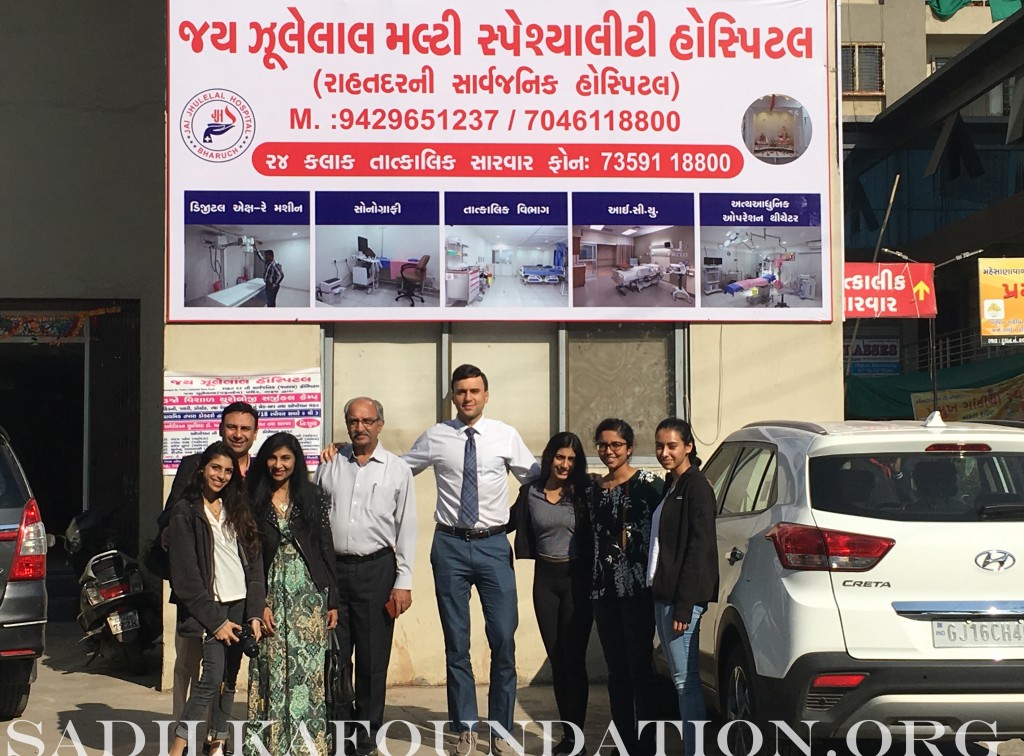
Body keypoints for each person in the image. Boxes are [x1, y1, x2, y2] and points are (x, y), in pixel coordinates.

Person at [404, 364, 539, 756]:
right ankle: (465, 726)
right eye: (461, 391)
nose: (468, 398)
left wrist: (513, 518)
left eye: (475, 391)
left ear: (486, 394)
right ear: (452, 396)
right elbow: (398, 469)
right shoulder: (436, 437)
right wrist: (347, 453)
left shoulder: (504, 435)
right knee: (456, 643)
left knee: (503, 640)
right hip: (448, 546)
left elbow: (535, 479)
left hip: (494, 547)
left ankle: (500, 729)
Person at [315, 398, 416, 756]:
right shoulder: (329, 465)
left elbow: (407, 528)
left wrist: (403, 581)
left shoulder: (397, 470)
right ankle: (341, 732)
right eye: (353, 421)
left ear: (380, 424)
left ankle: (367, 735)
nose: (360, 428)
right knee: (336, 657)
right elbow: (316, 518)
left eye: (367, 421)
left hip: (377, 570)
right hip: (334, 572)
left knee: (373, 659)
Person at [156, 401, 260, 730]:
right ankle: (180, 736)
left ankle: (216, 739)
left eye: (245, 429)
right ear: (220, 428)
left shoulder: (259, 475)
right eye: (232, 427)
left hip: (238, 589)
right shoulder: (193, 465)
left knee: (225, 673)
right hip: (197, 591)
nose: (238, 434)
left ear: (255, 434)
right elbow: (168, 519)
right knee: (188, 666)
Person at [243, 432, 339, 756]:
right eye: (272, 458)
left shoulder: (312, 497)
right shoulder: (253, 500)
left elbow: (326, 548)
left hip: (308, 597)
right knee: (270, 672)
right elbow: (251, 558)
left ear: (296, 461)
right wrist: (259, 604)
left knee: (307, 676)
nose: (278, 465)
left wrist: (333, 599)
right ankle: (268, 748)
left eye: (285, 458)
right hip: (269, 594)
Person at [507, 432, 592, 756]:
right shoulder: (531, 492)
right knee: (558, 660)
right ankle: (567, 737)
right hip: (545, 582)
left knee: (574, 659)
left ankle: (578, 739)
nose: (565, 464)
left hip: (577, 582)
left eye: (571, 459)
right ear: (549, 458)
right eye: (560, 457)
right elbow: (504, 522)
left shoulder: (586, 491)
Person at [587, 418, 662, 756]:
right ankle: (623, 741)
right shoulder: (593, 491)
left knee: (639, 668)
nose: (609, 451)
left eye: (616, 444)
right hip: (603, 592)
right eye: (603, 445)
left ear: (629, 448)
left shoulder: (649, 484)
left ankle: (648, 743)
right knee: (616, 671)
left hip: (638, 591)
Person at [649, 418, 718, 756]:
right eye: (660, 445)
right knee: (680, 681)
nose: (664, 452)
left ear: (688, 446)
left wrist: (684, 604)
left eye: (672, 446)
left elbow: (699, 547)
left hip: (681, 600)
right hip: (664, 594)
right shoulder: (672, 485)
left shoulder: (696, 487)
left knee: (685, 682)